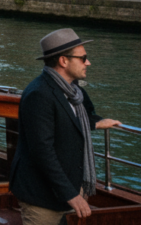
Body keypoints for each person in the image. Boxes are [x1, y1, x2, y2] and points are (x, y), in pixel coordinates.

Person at [10, 28, 121, 224]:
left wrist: (97, 123)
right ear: (63, 61)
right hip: (41, 196)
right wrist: (71, 194)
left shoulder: (74, 91)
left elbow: (81, 117)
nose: (88, 62)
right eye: (83, 58)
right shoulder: (39, 94)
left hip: (68, 188)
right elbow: (42, 151)